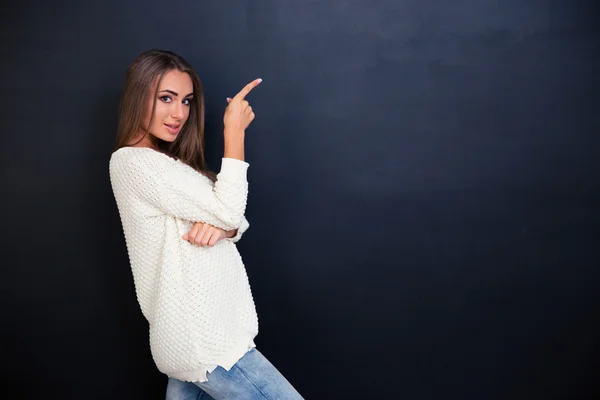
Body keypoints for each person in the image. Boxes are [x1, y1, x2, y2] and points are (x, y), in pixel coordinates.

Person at [109, 49, 303, 399]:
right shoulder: (135, 163)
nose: (179, 113)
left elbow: (231, 218)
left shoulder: (167, 164)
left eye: (186, 101)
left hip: (196, 337)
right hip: (209, 342)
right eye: (165, 98)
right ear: (138, 97)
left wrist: (226, 229)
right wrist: (234, 132)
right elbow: (227, 208)